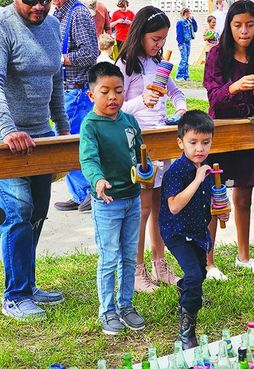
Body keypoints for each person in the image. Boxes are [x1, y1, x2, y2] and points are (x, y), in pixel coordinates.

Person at [0, 0, 70, 321]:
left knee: (38, 211)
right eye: (31, 1)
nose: (39, 7)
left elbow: (56, 81)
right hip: (8, 140)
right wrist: (7, 130)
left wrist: (64, 129)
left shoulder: (53, 26)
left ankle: (27, 284)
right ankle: (15, 295)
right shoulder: (4, 25)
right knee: (18, 211)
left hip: (42, 137)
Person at [116, 5, 187, 293]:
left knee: (160, 205)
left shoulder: (159, 66)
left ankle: (160, 264)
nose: (159, 45)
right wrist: (140, 100)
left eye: (163, 40)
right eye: (155, 39)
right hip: (138, 142)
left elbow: (176, 92)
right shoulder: (126, 66)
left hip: (162, 141)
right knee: (142, 209)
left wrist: (181, 110)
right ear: (140, 34)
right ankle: (136, 270)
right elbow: (116, 108)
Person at [203, 0, 254, 276]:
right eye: (237, 25)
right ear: (228, 26)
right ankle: (208, 263)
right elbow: (213, 98)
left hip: (249, 133)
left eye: (250, 25)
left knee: (243, 197)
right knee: (215, 199)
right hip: (220, 133)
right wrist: (234, 86)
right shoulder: (217, 56)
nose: (244, 31)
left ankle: (243, 257)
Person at [79, 62, 146, 335]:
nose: (113, 97)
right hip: (107, 203)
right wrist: (98, 180)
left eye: (118, 91)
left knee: (129, 256)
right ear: (91, 95)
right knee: (109, 258)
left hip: (133, 199)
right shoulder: (90, 125)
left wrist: (147, 169)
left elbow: (141, 152)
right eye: (105, 91)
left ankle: (126, 305)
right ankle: (107, 311)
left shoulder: (129, 121)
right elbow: (88, 159)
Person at [159, 110, 229, 349]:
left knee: (198, 274)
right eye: (193, 142)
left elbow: (211, 200)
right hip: (177, 232)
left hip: (198, 232)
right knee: (194, 275)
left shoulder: (207, 170)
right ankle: (186, 332)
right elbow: (175, 206)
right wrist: (198, 179)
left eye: (206, 143)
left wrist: (221, 209)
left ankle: (189, 293)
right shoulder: (177, 172)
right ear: (180, 142)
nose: (200, 148)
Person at [52, 0, 98, 213]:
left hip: (77, 89)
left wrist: (60, 58)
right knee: (69, 142)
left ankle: (92, 190)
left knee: (70, 142)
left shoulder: (77, 13)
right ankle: (79, 193)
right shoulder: (58, 12)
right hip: (63, 89)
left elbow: (90, 53)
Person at [175, 7, 198, 81]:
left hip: (188, 42)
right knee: (183, 59)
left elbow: (195, 29)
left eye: (189, 13)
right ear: (184, 13)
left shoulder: (190, 22)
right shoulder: (180, 22)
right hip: (183, 42)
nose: (189, 14)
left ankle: (186, 76)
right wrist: (180, 44)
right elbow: (179, 34)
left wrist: (193, 20)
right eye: (188, 13)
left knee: (187, 59)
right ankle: (179, 76)